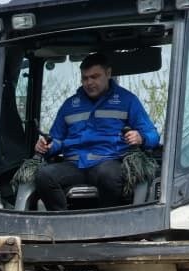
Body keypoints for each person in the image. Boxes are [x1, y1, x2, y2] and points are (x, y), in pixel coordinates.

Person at [33, 52, 161, 210]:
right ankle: (62, 222)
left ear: (108, 74)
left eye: (95, 77)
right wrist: (47, 146)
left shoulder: (128, 100)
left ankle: (106, 224)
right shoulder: (69, 105)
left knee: (109, 175)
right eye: (85, 78)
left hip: (108, 161)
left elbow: (153, 134)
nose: (89, 82)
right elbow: (56, 139)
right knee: (44, 175)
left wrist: (141, 137)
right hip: (74, 165)